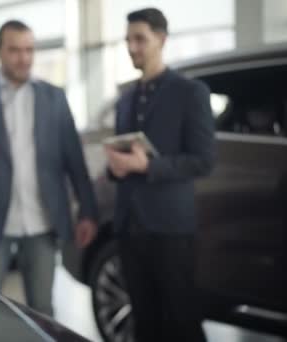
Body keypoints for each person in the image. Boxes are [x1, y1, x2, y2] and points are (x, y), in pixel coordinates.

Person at [0, 20, 98, 316]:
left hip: (43, 220)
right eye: (15, 50)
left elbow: (74, 161)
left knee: (42, 309)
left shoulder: (54, 97)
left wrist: (89, 212)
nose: (23, 58)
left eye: (29, 50)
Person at [104, 8, 215, 342]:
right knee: (144, 321)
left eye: (140, 39)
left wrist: (149, 166)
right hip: (129, 226)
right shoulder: (125, 99)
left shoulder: (190, 92)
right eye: (128, 40)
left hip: (170, 228)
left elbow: (204, 161)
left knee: (181, 320)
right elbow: (124, 158)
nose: (132, 47)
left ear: (162, 39)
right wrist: (115, 167)